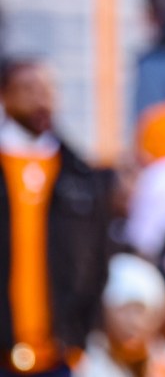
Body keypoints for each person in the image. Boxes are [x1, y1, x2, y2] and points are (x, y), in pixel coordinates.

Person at [0, 57, 113, 376]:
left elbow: (98, 260)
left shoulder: (79, 175)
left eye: (47, 90)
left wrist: (79, 337)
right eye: (27, 89)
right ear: (5, 96)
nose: (40, 99)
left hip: (59, 356)